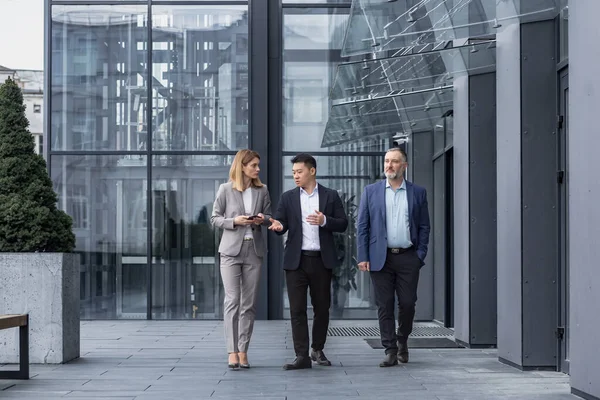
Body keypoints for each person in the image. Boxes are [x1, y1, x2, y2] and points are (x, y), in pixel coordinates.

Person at [269, 153, 348, 370]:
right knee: (297, 310)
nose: (295, 176)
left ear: (312, 171)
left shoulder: (330, 196)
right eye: (293, 172)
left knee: (322, 308)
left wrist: (324, 220)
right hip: (296, 261)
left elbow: (343, 224)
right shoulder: (288, 198)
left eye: (299, 171)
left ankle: (317, 349)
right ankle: (301, 355)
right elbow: (281, 222)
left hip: (321, 260)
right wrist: (278, 227)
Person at [356, 147, 430, 367]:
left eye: (394, 162)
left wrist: (420, 255)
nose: (389, 165)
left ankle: (402, 339)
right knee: (384, 304)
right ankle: (390, 349)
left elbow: (424, 226)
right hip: (381, 258)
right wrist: (363, 256)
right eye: (387, 161)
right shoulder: (371, 191)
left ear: (404, 166)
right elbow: (363, 226)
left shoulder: (418, 192)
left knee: (407, 304)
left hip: (408, 257)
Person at [211, 149, 272, 369]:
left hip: (254, 250)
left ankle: (243, 350)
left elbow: (268, 216)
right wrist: (235, 221)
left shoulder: (262, 190)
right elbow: (215, 218)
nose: (257, 169)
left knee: (249, 304)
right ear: (242, 166)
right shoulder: (226, 189)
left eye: (258, 165)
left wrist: (261, 219)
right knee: (232, 301)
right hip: (230, 251)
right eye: (254, 165)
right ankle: (232, 350)